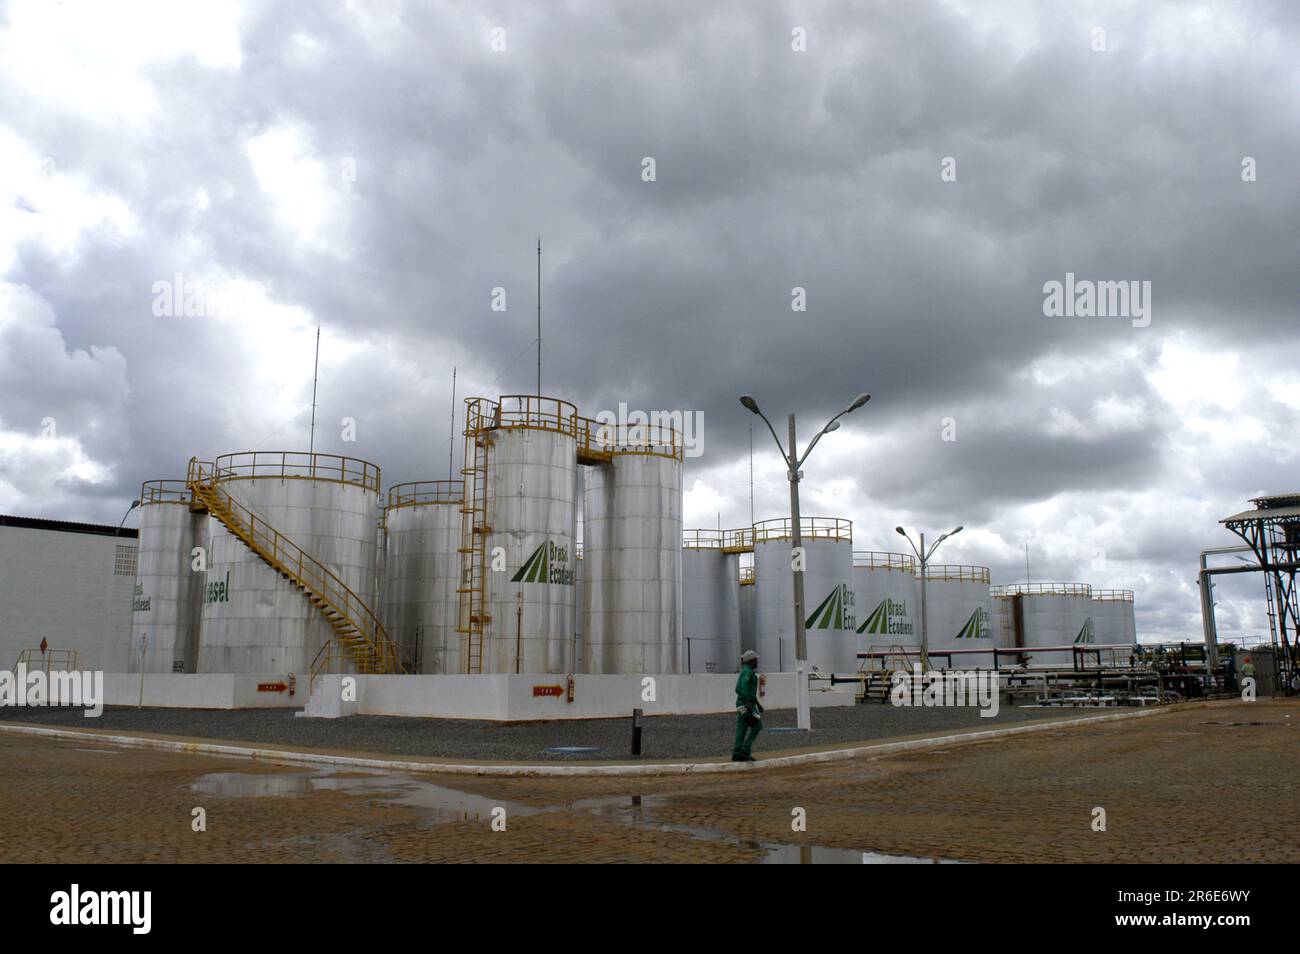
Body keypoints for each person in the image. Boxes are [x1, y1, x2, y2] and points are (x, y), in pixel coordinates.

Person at [732, 650, 763, 762]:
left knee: (742, 727)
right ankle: (744, 750)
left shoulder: (748, 672)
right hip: (745, 704)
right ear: (751, 661)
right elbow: (741, 688)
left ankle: (738, 753)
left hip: (744, 703)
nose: (757, 662)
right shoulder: (747, 672)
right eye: (756, 660)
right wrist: (749, 703)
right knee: (757, 725)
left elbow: (749, 691)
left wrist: (758, 704)